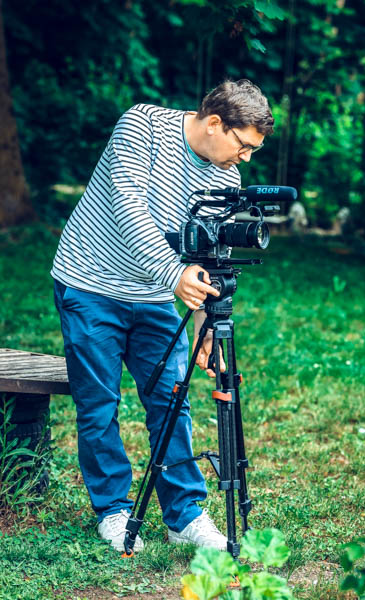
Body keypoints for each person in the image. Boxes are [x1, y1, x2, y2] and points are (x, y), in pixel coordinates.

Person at [51, 79, 274, 553]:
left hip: (155, 295)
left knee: (172, 400)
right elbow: (129, 208)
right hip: (90, 284)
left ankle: (185, 515)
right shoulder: (143, 126)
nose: (247, 158)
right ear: (215, 123)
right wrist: (174, 276)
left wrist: (206, 327)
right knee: (99, 404)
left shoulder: (226, 178)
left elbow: (208, 259)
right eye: (244, 145)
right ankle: (113, 510)